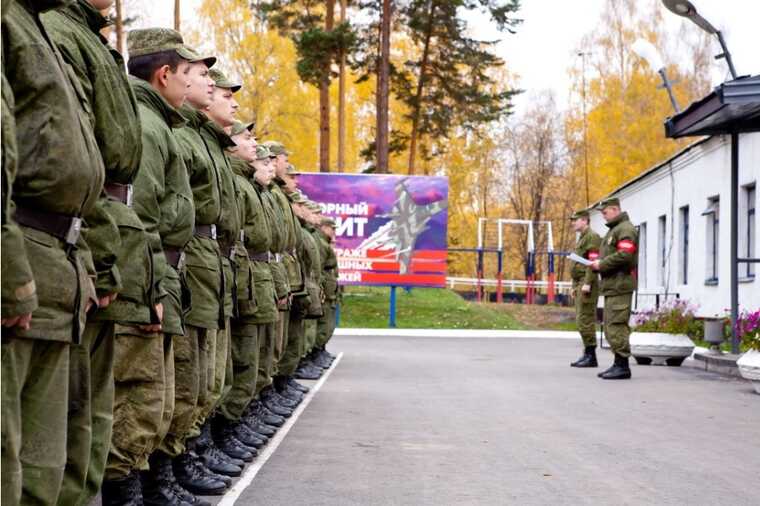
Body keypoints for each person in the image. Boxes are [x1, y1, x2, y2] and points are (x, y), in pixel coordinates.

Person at [41, 2, 156, 504]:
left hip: (96, 241)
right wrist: (100, 261)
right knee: (58, 423)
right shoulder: (57, 30)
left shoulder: (87, 37)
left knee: (90, 411)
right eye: (198, 74)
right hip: (70, 238)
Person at [2, 0, 105, 503]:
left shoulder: (35, 22)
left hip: (55, 257)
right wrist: (9, 275)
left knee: (44, 460)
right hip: (21, 251)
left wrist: (84, 267)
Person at [102, 28, 197, 505]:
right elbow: (137, 217)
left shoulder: (160, 123)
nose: (194, 83)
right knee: (137, 396)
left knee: (153, 396)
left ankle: (144, 485)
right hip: (143, 276)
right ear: (164, 74)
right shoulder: (145, 122)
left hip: (156, 271)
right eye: (190, 73)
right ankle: (126, 493)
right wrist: (152, 289)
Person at [171, 57, 246, 496]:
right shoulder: (184, 135)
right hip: (190, 260)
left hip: (210, 263)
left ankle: (197, 449)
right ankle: (166, 470)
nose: (231, 103)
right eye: (221, 89)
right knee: (184, 378)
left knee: (209, 376)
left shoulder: (206, 143)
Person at [591, 198, 638, 380]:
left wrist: (601, 264)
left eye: (605, 212)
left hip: (620, 284)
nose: (604, 215)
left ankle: (623, 366)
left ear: (615, 209)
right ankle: (618, 363)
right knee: (610, 326)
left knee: (617, 324)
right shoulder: (614, 230)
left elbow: (625, 255)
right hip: (612, 285)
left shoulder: (625, 229)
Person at [568, 210, 601, 368]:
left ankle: (591, 356)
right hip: (580, 282)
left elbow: (593, 262)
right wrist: (574, 286)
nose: (573, 223)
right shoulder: (582, 238)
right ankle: (587, 353)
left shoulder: (592, 237)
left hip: (587, 283)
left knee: (585, 320)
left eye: (575, 220)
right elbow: (578, 262)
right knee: (581, 320)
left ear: (584, 220)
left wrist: (587, 282)